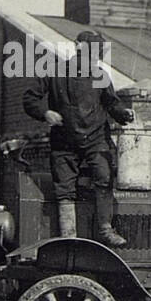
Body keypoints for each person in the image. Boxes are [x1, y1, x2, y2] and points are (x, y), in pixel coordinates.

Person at [23, 30, 134, 247]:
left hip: (96, 139)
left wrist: (124, 114)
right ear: (78, 48)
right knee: (64, 188)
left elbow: (112, 103)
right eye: (91, 52)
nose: (94, 58)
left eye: (97, 53)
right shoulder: (54, 72)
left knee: (103, 177)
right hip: (64, 141)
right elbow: (30, 98)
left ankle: (104, 229)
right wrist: (45, 113)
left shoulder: (101, 75)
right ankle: (68, 237)